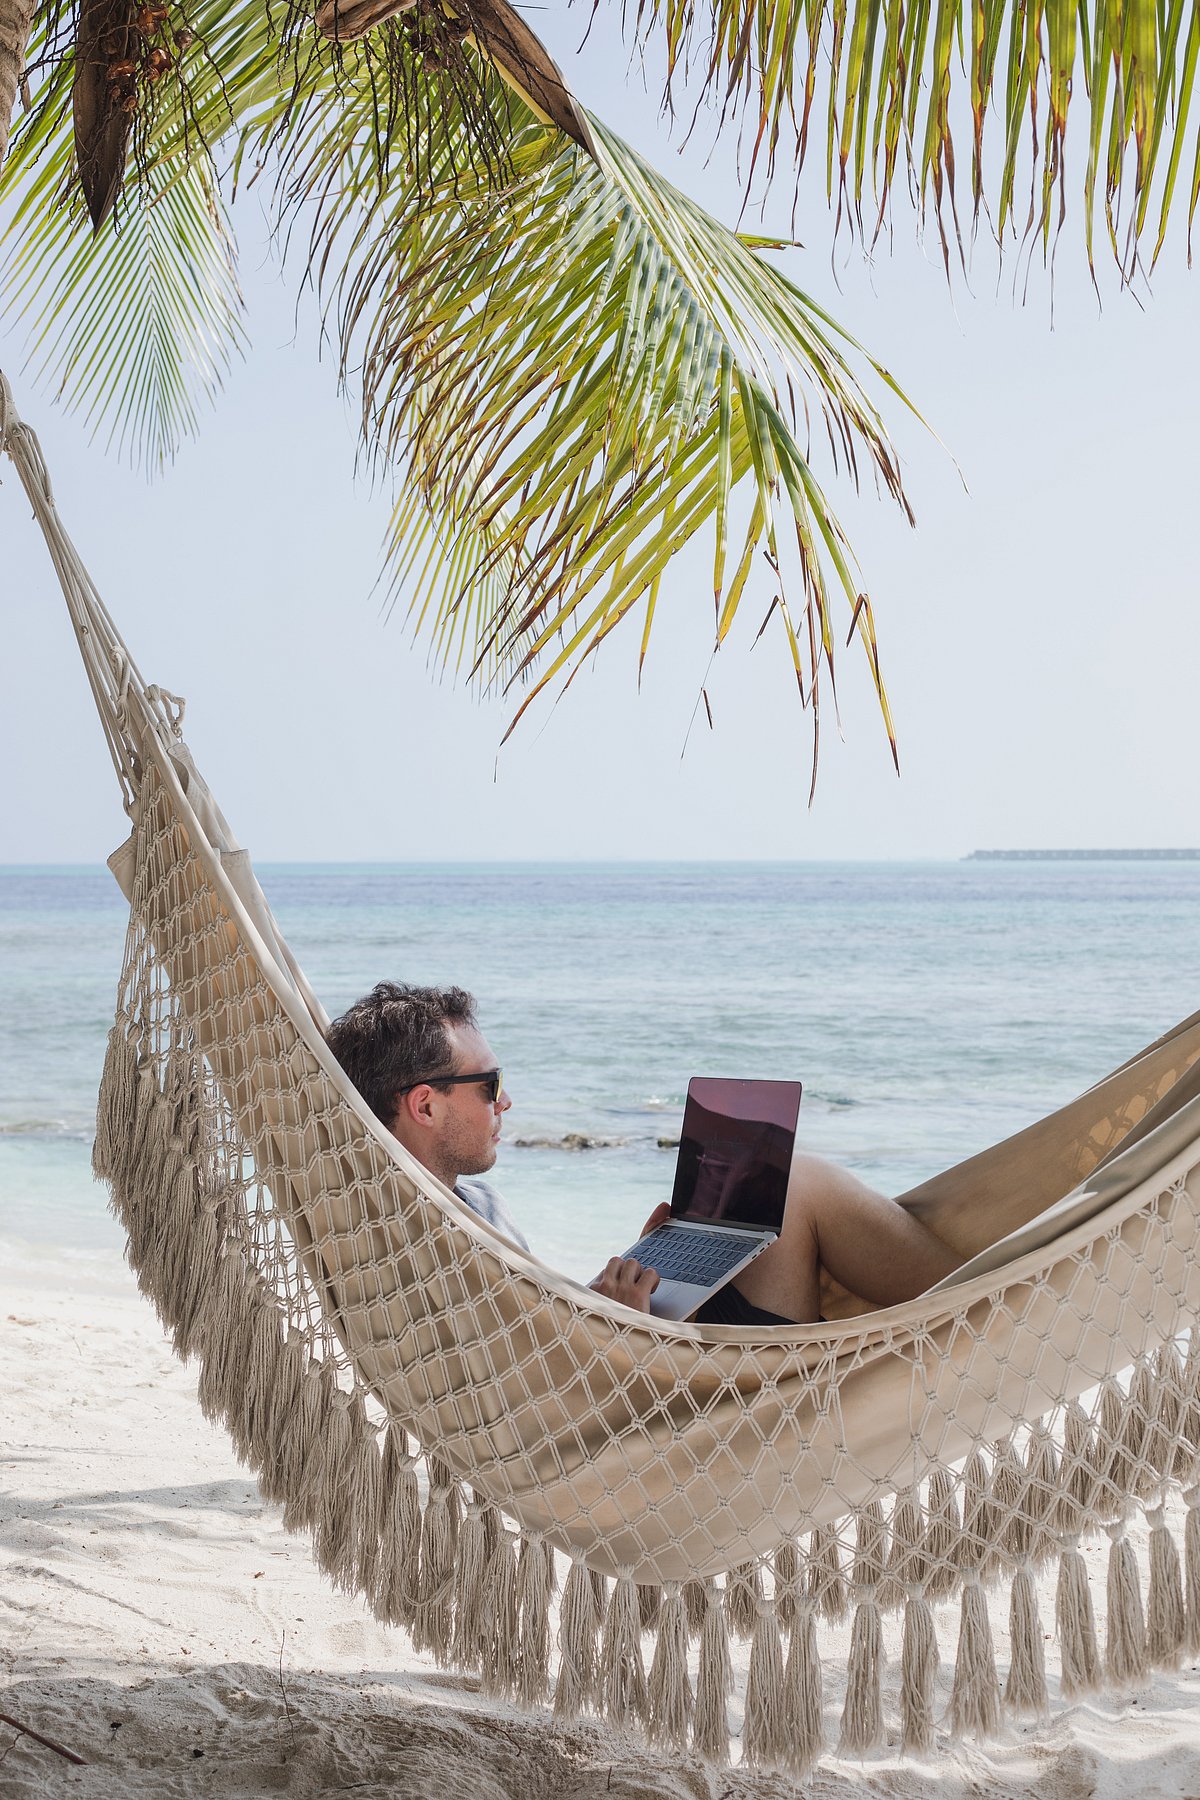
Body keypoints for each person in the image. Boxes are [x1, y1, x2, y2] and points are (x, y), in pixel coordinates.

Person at [325, 981, 961, 1325]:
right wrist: (622, 1328)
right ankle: (997, 1302)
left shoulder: (459, 1204)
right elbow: (522, 1385)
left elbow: (527, 1332)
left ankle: (1001, 1291)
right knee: (798, 1181)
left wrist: (618, 1284)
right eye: (488, 1086)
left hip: (639, 1355)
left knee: (762, 1188)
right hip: (662, 1413)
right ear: (425, 1105)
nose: (506, 1103)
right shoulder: (414, 1239)